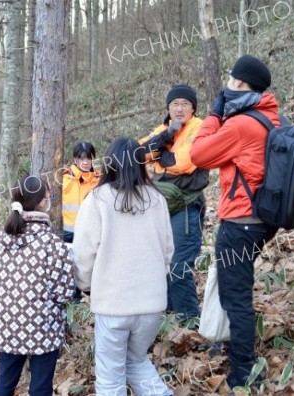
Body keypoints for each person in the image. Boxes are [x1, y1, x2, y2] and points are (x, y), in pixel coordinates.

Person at [190, 55, 280, 390]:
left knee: (236, 297)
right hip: (260, 220)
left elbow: (198, 154)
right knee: (236, 288)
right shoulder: (271, 118)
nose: (226, 83)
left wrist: (213, 114)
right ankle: (235, 349)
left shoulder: (241, 125)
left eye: (230, 79)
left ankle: (244, 372)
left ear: (240, 84)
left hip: (240, 221)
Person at [73, 137, 174, 396]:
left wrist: (84, 286)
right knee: (136, 361)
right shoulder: (157, 198)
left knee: (110, 375)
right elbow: (167, 250)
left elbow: (84, 253)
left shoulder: (97, 199)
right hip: (151, 303)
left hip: (113, 303)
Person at [0, 175, 75, 396]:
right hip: (43, 328)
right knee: (40, 388)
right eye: (48, 195)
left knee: (4, 383)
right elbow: (64, 293)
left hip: (7, 325)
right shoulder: (53, 244)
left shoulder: (0, 239)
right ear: (44, 202)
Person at [139, 84, 209, 325]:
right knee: (162, 264)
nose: (179, 109)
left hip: (188, 207)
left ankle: (190, 321)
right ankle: (170, 318)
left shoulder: (200, 128)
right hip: (162, 208)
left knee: (179, 265)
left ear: (193, 109)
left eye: (185, 104)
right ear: (168, 108)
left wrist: (159, 154)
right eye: (174, 104)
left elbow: (187, 162)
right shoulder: (163, 129)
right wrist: (164, 137)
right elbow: (137, 153)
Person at [62, 142, 100, 243]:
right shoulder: (65, 178)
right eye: (81, 159)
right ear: (75, 159)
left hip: (90, 232)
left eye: (88, 158)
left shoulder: (99, 180)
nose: (85, 162)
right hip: (67, 233)